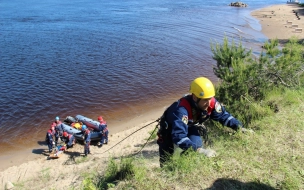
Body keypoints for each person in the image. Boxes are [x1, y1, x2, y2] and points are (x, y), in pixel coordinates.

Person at [157, 77, 253, 167]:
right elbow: (179, 136)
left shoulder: (210, 103)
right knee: (166, 159)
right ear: (195, 97)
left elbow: (224, 116)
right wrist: (199, 150)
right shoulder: (181, 110)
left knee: (196, 144)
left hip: (189, 126)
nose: (208, 103)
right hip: (169, 131)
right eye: (205, 100)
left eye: (210, 98)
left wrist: (239, 127)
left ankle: (188, 167)